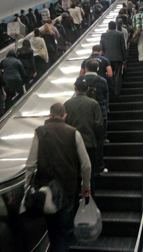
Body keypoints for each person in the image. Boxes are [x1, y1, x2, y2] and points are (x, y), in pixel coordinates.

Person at [24, 103, 91, 252]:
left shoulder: (40, 132)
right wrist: (86, 187)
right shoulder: (73, 133)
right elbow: (86, 165)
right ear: (65, 116)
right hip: (68, 190)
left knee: (52, 230)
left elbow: (30, 164)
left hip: (46, 191)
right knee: (64, 233)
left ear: (49, 116)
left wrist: (27, 188)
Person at [64, 76, 103, 195]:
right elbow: (99, 126)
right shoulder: (94, 104)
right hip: (89, 144)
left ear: (75, 88)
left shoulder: (67, 104)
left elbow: (64, 124)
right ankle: (90, 200)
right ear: (87, 89)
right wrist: (96, 140)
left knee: (74, 175)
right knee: (89, 174)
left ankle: (75, 204)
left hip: (72, 146)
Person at [84, 59, 109, 174]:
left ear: (86, 68)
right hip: (101, 114)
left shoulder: (80, 80)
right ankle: (99, 166)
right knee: (99, 142)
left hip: (85, 115)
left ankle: (85, 167)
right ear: (98, 69)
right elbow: (106, 98)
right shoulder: (103, 81)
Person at [100, 21, 126, 96]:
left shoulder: (103, 35)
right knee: (118, 74)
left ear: (108, 27)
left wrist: (104, 56)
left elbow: (102, 47)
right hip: (118, 58)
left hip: (107, 58)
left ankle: (110, 91)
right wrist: (124, 58)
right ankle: (117, 92)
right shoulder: (120, 34)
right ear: (115, 27)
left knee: (109, 74)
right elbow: (123, 47)